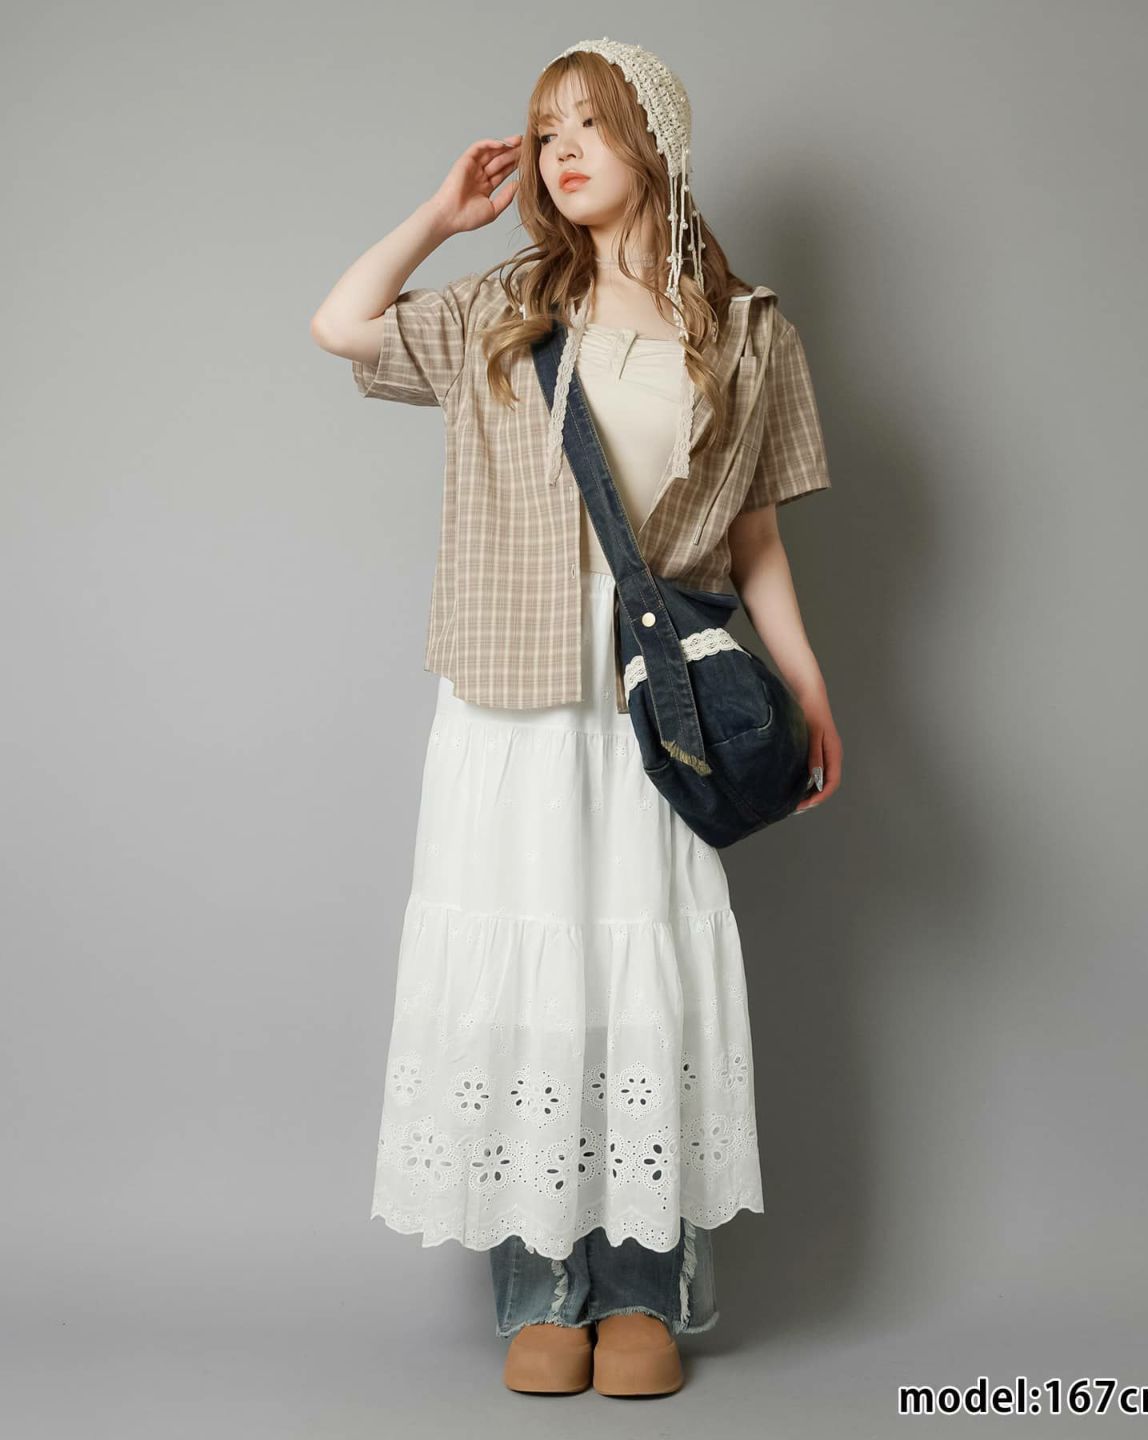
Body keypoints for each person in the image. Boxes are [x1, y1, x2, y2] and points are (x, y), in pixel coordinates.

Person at [310, 37, 843, 1398]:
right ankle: (542, 1291)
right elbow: (342, 325)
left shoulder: (749, 330)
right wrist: (442, 216)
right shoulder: (506, 304)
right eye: (547, 129)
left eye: (590, 125)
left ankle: (642, 1292)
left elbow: (757, 538)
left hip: (659, 704)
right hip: (512, 703)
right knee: (531, 982)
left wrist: (808, 687)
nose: (560, 151)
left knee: (634, 977)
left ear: (656, 143)